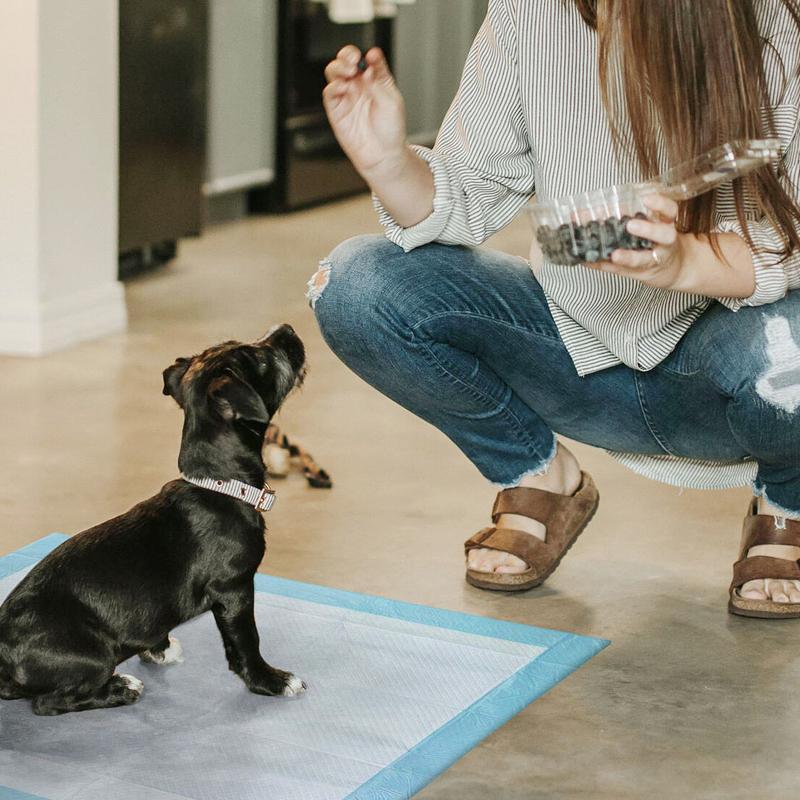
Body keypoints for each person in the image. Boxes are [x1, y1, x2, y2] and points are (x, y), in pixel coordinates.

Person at [309, 0, 800, 618]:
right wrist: (389, 162)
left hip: (728, 374)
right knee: (355, 285)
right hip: (576, 358)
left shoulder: (773, 27)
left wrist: (686, 264)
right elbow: (467, 197)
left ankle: (788, 500)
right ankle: (538, 474)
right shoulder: (529, 13)